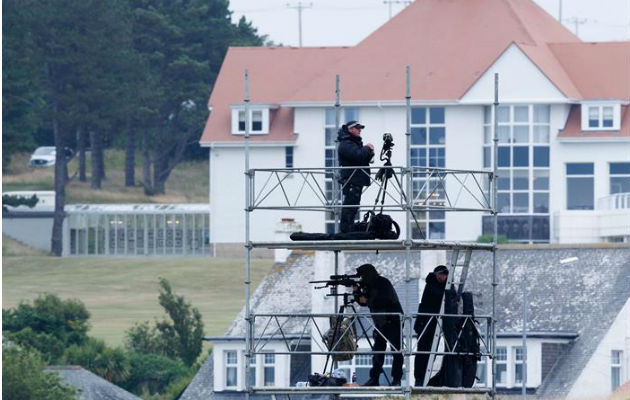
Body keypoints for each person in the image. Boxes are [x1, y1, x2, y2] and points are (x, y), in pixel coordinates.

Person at [353, 263, 403, 386]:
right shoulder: (370, 285)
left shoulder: (383, 283)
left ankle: (396, 379)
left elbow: (382, 299)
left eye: (363, 276)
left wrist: (366, 299)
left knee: (396, 351)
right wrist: (356, 292)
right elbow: (362, 302)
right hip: (380, 323)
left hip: (392, 321)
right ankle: (374, 378)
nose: (362, 279)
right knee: (378, 350)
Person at [414, 265, 448, 386]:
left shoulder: (436, 284)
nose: (444, 277)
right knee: (423, 351)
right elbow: (441, 296)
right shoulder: (432, 284)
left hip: (433, 323)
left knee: (430, 351)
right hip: (426, 322)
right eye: (442, 275)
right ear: (437, 275)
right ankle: (420, 378)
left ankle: (424, 378)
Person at [337, 121, 374, 233]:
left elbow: (362, 159)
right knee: (350, 205)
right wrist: (367, 148)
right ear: (350, 129)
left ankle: (349, 228)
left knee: (353, 205)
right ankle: (346, 229)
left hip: (356, 180)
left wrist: (369, 153)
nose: (359, 130)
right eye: (357, 128)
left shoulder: (352, 144)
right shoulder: (346, 144)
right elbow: (358, 156)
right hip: (352, 180)